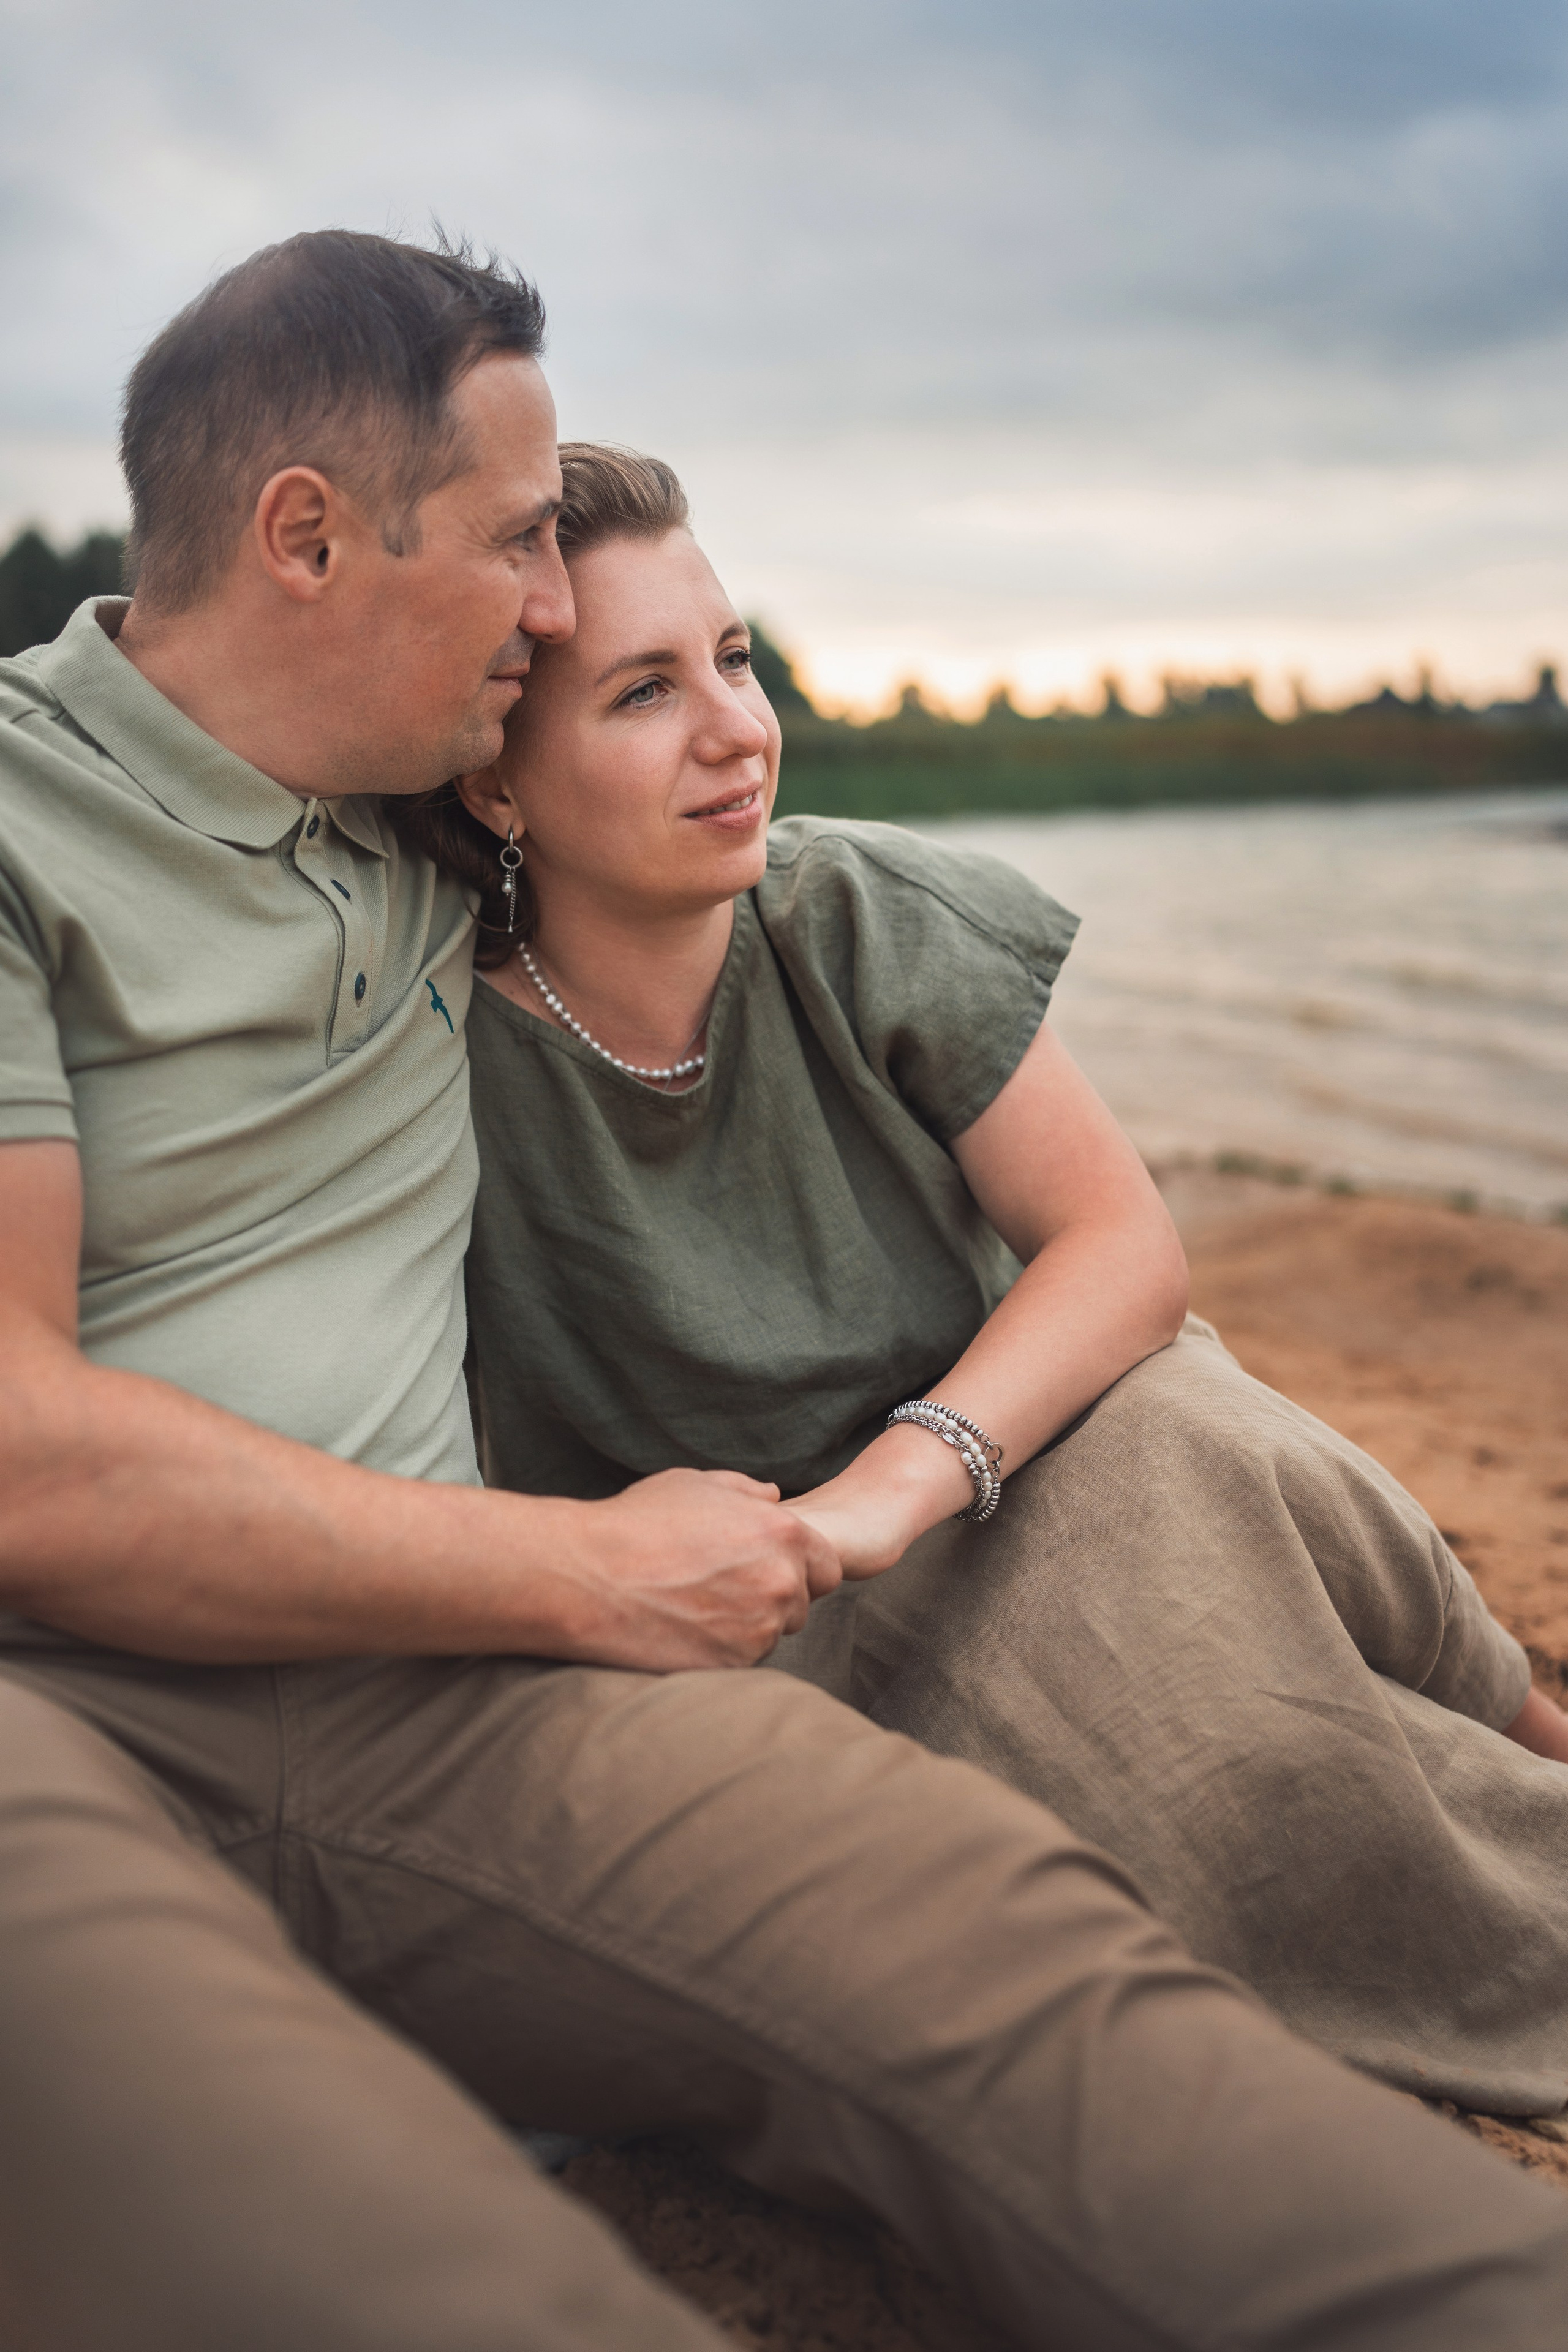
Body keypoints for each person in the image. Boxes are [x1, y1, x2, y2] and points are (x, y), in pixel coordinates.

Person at [2, 231, 1567, 2352]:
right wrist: (579, 1570)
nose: (557, 610)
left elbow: (1100, 1229)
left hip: (460, 1679)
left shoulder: (444, 825)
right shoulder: (53, 823)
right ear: (306, 538)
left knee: (1010, 1957)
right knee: (275, 2183)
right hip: (82, 1687)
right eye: (525, 557)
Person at [410, 440, 1568, 2116]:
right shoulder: (418, 1056)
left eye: (733, 658)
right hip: (746, 1624)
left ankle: (1515, 1727)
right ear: (496, 784)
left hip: (1016, 1471)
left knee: (1192, 1423)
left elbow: (1126, 1250)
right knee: (1165, 1788)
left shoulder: (857, 914)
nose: (739, 728)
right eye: (643, 693)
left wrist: (899, 1485)